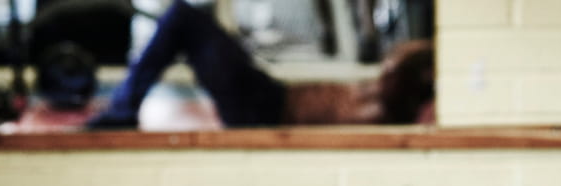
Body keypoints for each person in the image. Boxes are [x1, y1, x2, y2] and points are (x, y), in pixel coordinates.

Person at [85, 0, 434, 129]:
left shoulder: (381, 111)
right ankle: (123, 106)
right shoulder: (379, 96)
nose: (385, 67)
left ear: (409, 80)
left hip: (261, 110)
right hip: (267, 95)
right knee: (185, 22)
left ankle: (122, 109)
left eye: (392, 67)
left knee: (182, 18)